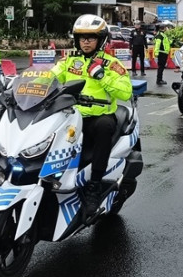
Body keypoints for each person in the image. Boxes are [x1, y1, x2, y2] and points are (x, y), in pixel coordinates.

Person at [51, 14, 132, 217]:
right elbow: (49, 77)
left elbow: (125, 92)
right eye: (82, 37)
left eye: (91, 37)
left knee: (104, 126)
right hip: (71, 116)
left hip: (98, 117)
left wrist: (102, 76)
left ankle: (94, 186)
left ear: (101, 39)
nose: (86, 41)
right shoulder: (69, 61)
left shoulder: (112, 64)